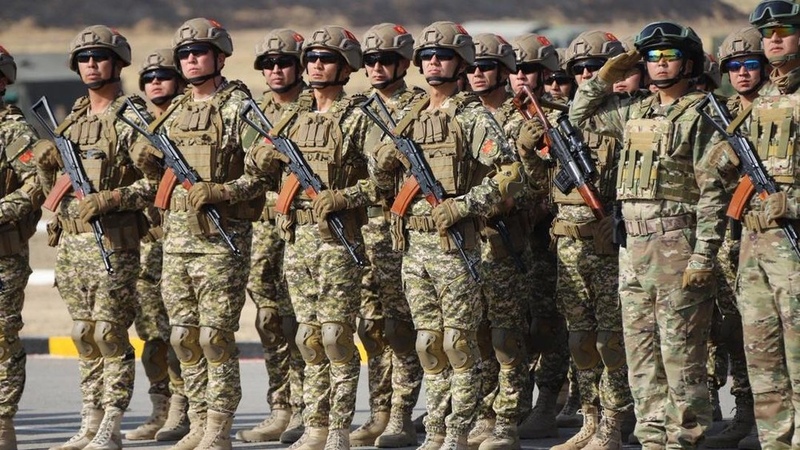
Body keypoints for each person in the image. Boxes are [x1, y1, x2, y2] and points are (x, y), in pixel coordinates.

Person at [329, 21, 524, 450]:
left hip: (454, 246)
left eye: (444, 56)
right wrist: (384, 161)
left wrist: (464, 205)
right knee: (429, 345)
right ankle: (434, 430)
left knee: (458, 344)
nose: (435, 62)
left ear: (461, 62)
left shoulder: (470, 116)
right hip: (413, 248)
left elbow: (510, 176)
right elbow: (381, 186)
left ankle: (456, 432)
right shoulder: (410, 116)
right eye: (429, 56)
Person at [569, 21, 728, 448]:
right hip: (633, 248)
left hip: (677, 245)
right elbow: (578, 116)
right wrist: (605, 76)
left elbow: (712, 192)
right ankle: (652, 438)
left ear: (688, 64)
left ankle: (684, 438)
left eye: (668, 56)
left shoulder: (702, 113)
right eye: (652, 58)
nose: (659, 64)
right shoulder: (636, 111)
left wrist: (703, 255)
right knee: (640, 353)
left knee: (681, 353)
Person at [131, 17, 268, 450]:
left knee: (214, 337)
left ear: (220, 57)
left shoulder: (239, 108)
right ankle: (197, 419)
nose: (191, 60)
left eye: (199, 52)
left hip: (220, 241)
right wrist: (148, 161)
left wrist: (222, 190)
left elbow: (262, 174)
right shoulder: (175, 111)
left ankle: (218, 427)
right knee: (184, 337)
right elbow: (156, 177)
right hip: (176, 242)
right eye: (185, 54)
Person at [249, 25, 371, 450]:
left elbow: (384, 182)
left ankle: (337, 428)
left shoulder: (358, 117)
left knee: (336, 337)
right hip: (297, 240)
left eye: (327, 59)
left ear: (346, 67)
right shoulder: (293, 116)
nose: (317, 65)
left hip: (337, 238)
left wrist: (344, 197)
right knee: (309, 338)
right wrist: (266, 153)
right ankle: (314, 425)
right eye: (312, 58)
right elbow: (257, 162)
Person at [34, 25, 154, 450]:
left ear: (118, 63)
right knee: (84, 334)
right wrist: (46, 166)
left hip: (112, 244)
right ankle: (90, 418)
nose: (91, 64)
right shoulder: (74, 119)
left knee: (109, 333)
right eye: (83, 58)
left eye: (99, 57)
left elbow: (156, 183)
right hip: (73, 245)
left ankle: (112, 423)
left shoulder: (132, 117)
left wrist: (112, 198)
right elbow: (52, 192)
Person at [708, 2, 800, 447]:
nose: (774, 40)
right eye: (768, 35)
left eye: (784, 31)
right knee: (762, 354)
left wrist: (793, 202)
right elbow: (713, 172)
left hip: (792, 246)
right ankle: (776, 441)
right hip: (752, 244)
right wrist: (724, 157)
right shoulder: (759, 101)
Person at [548, 30, 635, 450]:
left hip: (609, 241)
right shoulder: (570, 117)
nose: (586, 76)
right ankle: (590, 417)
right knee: (579, 339)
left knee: (610, 340)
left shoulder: (628, 112)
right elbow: (577, 113)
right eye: (579, 70)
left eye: (595, 69)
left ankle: (614, 423)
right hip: (569, 244)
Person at [464, 32, 543, 450]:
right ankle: (484, 412)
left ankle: (508, 418)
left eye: (486, 67)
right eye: (472, 68)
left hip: (505, 239)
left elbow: (533, 186)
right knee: (474, 333)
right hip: (465, 240)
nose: (477, 74)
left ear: (503, 71)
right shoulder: (460, 116)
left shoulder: (522, 122)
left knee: (506, 335)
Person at [348, 22, 423, 448]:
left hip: (400, 229)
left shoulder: (418, 108)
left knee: (401, 327)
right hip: (361, 230)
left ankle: (401, 414)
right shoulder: (357, 112)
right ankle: (378, 411)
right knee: (371, 327)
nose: (376, 67)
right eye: (370, 60)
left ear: (404, 63)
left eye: (385, 60)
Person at [234, 28, 309, 446]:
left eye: (283, 63)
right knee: (269, 320)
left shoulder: (313, 108)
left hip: (302, 227)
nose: (275, 70)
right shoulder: (252, 114)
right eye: (268, 64)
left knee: (303, 321)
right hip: (262, 229)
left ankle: (307, 406)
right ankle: (280, 405)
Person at [702, 25, 766, 450]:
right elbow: (706, 175)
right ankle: (742, 413)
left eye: (750, 64)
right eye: (734, 66)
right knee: (732, 331)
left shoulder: (778, 110)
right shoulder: (719, 114)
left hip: (769, 236)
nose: (742, 73)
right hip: (728, 237)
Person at [507, 32, 571, 441]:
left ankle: (547, 402)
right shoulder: (497, 116)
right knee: (509, 325)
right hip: (506, 236)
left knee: (548, 323)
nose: (520, 76)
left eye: (528, 69)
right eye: (514, 70)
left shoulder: (559, 117)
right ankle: (510, 403)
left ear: (545, 74)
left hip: (546, 237)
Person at [125, 48, 190, 444]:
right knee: (152, 335)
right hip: (147, 245)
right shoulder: (135, 125)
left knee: (185, 333)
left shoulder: (189, 121)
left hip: (185, 242)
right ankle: (161, 407)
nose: (154, 83)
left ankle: (185, 407)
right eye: (148, 78)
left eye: (162, 76)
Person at [0, 45, 43, 450]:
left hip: (3, 254)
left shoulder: (14, 131)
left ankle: (3, 422)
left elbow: (36, 185)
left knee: (2, 339)